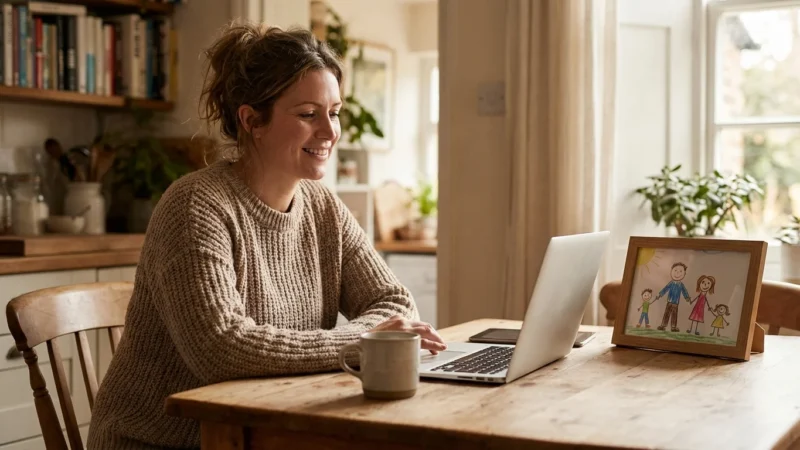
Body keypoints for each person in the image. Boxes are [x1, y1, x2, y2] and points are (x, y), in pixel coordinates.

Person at [87, 23, 446, 450]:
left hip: (269, 431)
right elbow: (221, 348)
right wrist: (364, 341)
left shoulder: (323, 207)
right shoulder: (195, 206)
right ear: (252, 120)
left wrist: (372, 336)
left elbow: (395, 302)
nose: (330, 132)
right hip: (160, 442)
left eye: (334, 112)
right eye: (308, 114)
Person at [654, 262, 690, 332]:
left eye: (680, 271)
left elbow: (684, 291)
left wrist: (687, 298)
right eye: (675, 270)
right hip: (669, 301)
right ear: (671, 271)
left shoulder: (681, 285)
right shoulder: (671, 283)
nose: (677, 273)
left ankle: (673, 327)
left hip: (675, 303)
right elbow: (665, 289)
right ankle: (663, 325)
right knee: (666, 314)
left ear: (684, 274)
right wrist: (660, 295)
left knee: (674, 315)